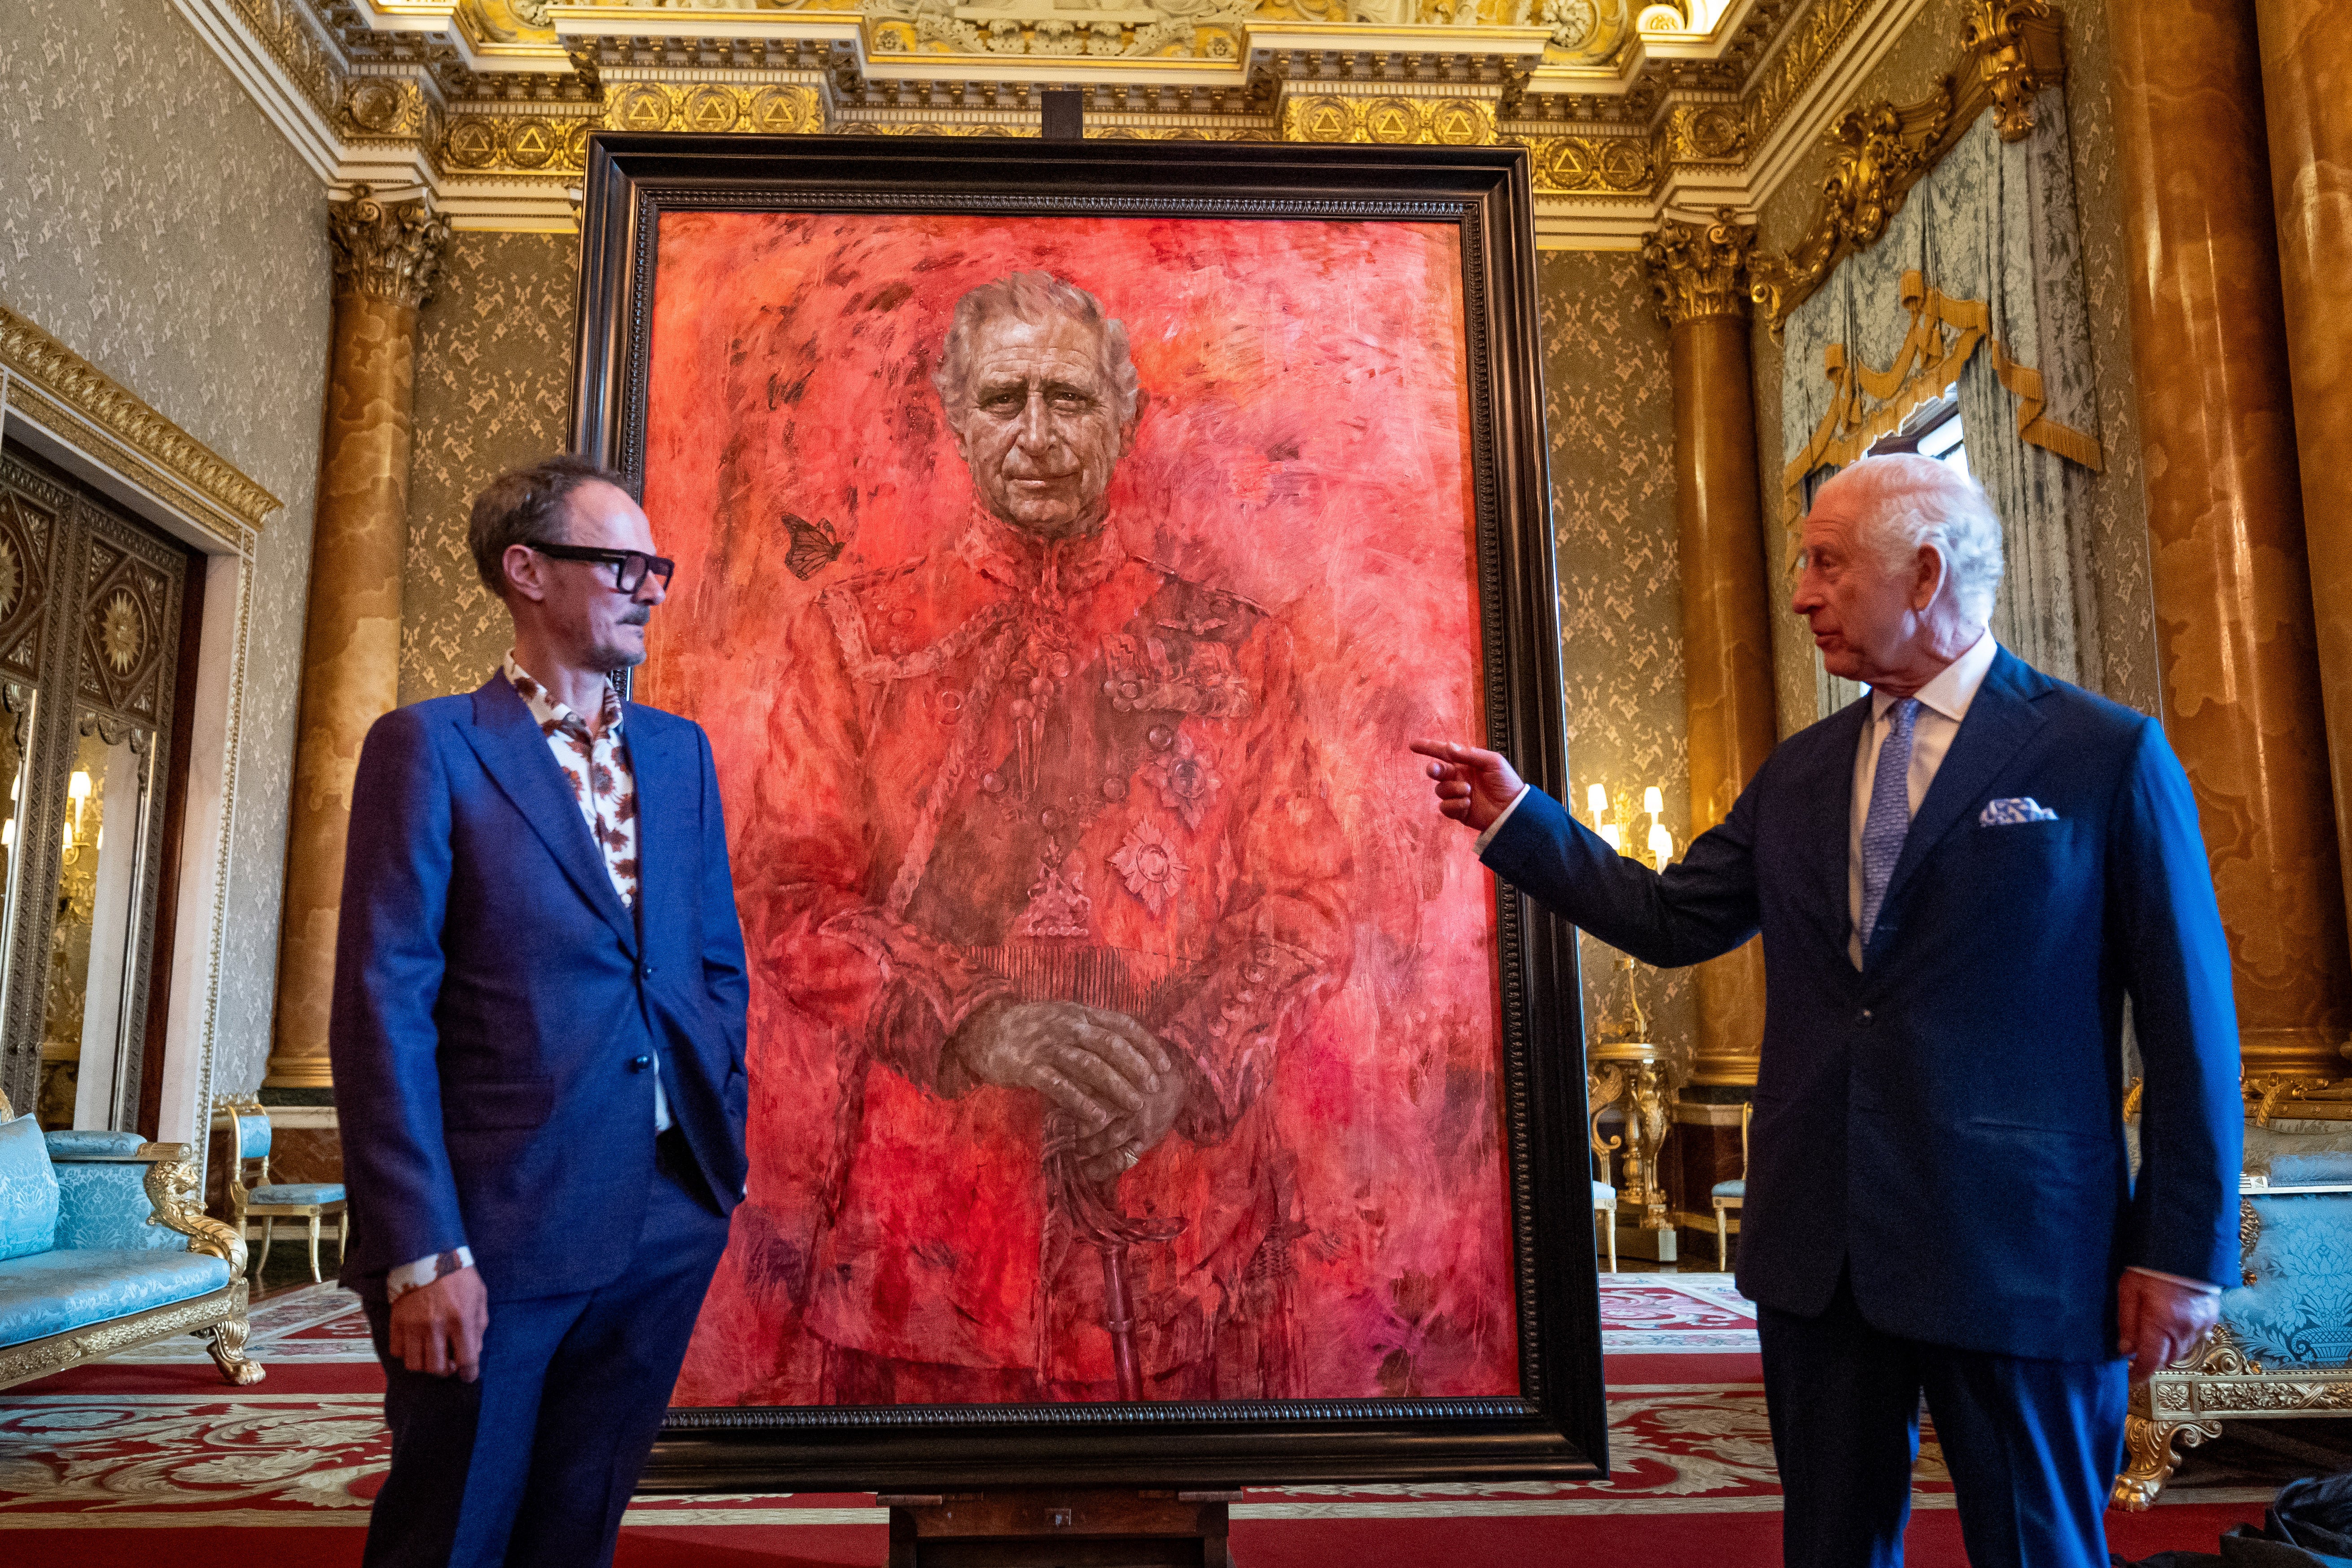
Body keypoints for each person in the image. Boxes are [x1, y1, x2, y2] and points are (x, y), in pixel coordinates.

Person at [1412, 454, 2242, 1568]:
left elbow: (2191, 1024)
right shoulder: (1801, 771)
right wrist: (1524, 822)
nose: (1800, 593)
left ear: (1923, 574)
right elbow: (1670, 920)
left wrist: (2180, 1251)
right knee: (1830, 1547)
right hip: (1821, 1246)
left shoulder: (2100, 756)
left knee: (2039, 1545)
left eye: (1824, 563)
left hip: (2020, 1251)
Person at [735, 271, 1351, 1403]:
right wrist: (978, 1026)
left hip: (1175, 1216)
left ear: (1122, 418)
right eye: (1005, 397)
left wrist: (1184, 1062)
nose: (1035, 435)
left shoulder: (1235, 646)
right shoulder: (851, 638)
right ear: (956, 414)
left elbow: (1302, 910)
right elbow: (790, 899)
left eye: (1066, 399)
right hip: (933, 1217)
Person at [329, 455, 750, 1568]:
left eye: (652, 566)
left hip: (663, 1215)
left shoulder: (678, 754)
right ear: (527, 572)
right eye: (620, 564)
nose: (648, 587)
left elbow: (712, 967)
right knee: (452, 1525)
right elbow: (384, 1006)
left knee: (579, 1520)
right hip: (493, 1230)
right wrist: (421, 1250)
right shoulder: (430, 747)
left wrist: (717, 1146)